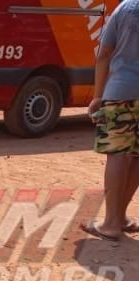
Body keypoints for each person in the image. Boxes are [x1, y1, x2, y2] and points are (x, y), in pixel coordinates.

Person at [81, 0, 139, 241]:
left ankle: (110, 223)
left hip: (121, 91)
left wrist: (97, 96)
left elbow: (104, 53)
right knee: (137, 156)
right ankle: (121, 216)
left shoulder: (125, 8)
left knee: (117, 154)